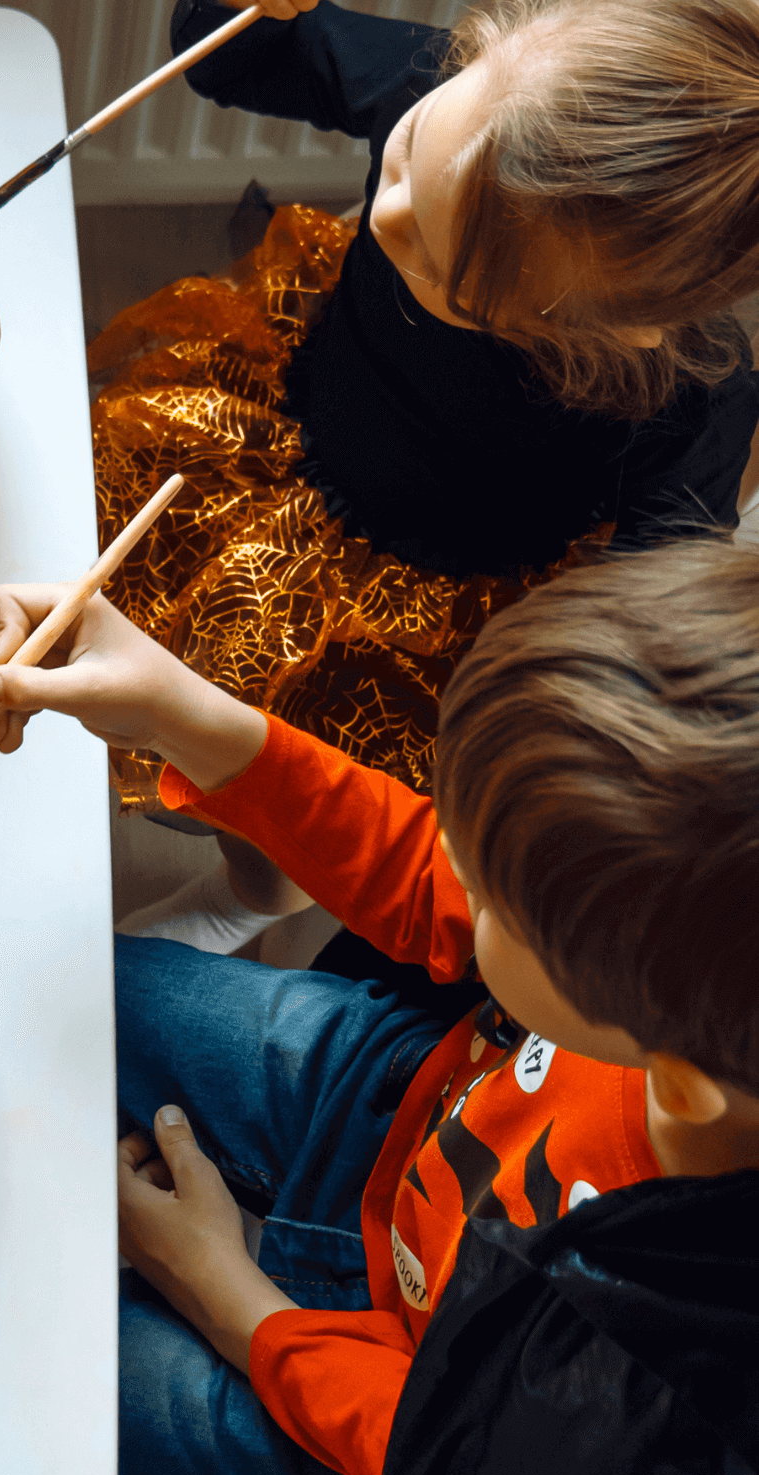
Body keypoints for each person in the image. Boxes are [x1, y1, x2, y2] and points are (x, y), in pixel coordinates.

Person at [0, 538, 759, 1475]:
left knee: (39, 1370)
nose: (454, 870)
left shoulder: (635, 1400)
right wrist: (184, 712)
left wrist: (220, 1290)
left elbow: (433, 1453)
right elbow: (424, 871)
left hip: (391, 1394)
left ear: (671, 1076)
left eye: (495, 897)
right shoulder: (679, 981)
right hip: (398, 1103)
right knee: (36, 985)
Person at [97, 0, 759, 956]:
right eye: (404, 150)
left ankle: (251, 892)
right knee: (143, 610)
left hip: (421, 619)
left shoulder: (694, 399)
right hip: (279, 439)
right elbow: (224, 57)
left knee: (276, 795)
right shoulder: (449, 92)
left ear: (605, 331)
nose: (384, 213)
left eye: (443, 267)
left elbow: (653, 626)